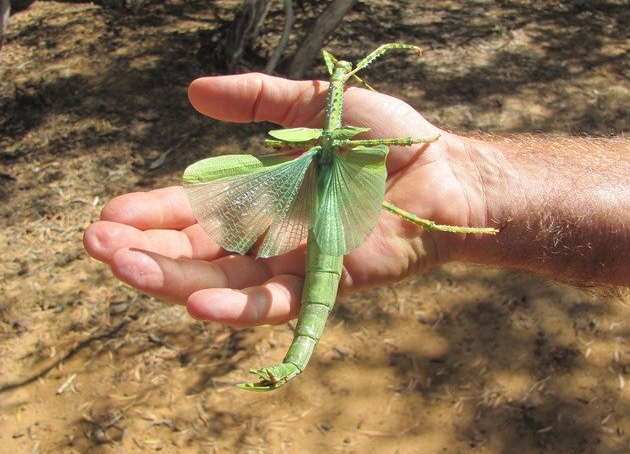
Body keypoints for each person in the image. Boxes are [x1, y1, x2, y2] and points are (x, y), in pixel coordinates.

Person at [83, 74, 629, 327]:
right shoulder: (331, 148)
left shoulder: (354, 148)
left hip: (320, 214)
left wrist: (466, 191)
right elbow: (294, 142)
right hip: (310, 201)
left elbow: (316, 141)